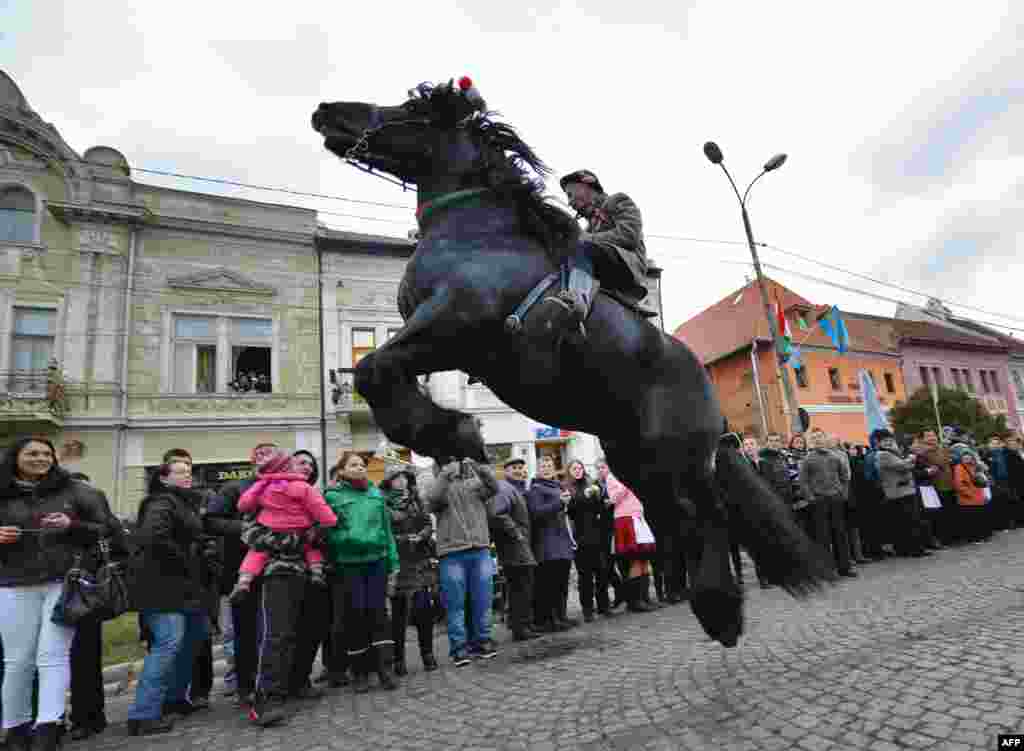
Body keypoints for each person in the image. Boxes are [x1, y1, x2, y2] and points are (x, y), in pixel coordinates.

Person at [0, 438, 116, 751]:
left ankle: (48, 727)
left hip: (62, 583)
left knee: (52, 655)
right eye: (32, 453)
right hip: (11, 583)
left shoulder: (74, 491)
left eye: (46, 454)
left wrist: (72, 525)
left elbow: (107, 528)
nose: (40, 459)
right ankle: (14, 727)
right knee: (17, 660)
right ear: (15, 457)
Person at [128, 459, 226, 735]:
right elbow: (153, 537)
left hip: (188, 588)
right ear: (164, 478)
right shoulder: (161, 502)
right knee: (168, 645)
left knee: (194, 639)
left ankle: (173, 699)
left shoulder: (183, 503)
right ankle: (143, 714)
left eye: (189, 471)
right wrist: (187, 557)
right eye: (179, 472)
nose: (187, 476)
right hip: (162, 587)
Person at [205, 442, 279, 712]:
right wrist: (247, 528)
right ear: (252, 460)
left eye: (270, 453)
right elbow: (210, 520)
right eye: (259, 454)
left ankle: (273, 684)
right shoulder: (234, 488)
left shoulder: (284, 487)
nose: (265, 458)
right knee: (245, 633)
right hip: (242, 571)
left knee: (274, 631)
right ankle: (246, 688)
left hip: (279, 570)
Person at [324, 452, 399, 692]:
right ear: (342, 471)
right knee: (355, 615)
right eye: (353, 465)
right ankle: (360, 672)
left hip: (376, 560)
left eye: (362, 465)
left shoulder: (376, 495)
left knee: (379, 614)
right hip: (349, 563)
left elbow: (387, 531)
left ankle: (385, 669)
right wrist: (347, 539)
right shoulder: (333, 496)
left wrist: (393, 561)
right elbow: (328, 530)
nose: (359, 468)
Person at [229, 451, 337, 603]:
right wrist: (328, 523)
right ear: (289, 467)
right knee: (310, 547)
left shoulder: (263, 485)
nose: (308, 467)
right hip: (298, 534)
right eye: (302, 463)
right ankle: (317, 571)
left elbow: (243, 505)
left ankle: (244, 581)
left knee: (256, 552)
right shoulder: (305, 488)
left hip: (270, 528)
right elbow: (324, 514)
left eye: (311, 464)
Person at [553, 169, 652, 332]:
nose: (569, 202)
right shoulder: (589, 227)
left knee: (581, 247)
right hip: (605, 266)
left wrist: (586, 238)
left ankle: (577, 301)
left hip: (628, 267)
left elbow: (629, 235)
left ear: (588, 184)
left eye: (571, 194)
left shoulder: (618, 200)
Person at [426, 458, 499, 666]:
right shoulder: (438, 487)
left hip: (480, 549)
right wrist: (445, 475)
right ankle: (459, 648)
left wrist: (478, 465)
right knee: (455, 603)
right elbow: (432, 500)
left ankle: (482, 641)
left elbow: (494, 486)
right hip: (451, 553)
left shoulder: (475, 485)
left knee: (483, 599)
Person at [381, 467, 438, 675]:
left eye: (404, 477)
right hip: (398, 562)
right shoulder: (384, 503)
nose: (401, 481)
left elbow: (427, 524)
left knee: (424, 610)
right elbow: (383, 531)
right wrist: (403, 540)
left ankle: (428, 654)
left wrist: (422, 535)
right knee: (398, 615)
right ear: (389, 482)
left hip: (419, 559)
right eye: (396, 478)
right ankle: (398, 659)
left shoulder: (417, 500)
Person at [489, 458, 539, 640]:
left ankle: (524, 624)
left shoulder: (517, 489)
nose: (519, 471)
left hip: (519, 546)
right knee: (520, 587)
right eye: (514, 468)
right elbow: (497, 513)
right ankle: (520, 628)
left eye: (521, 468)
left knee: (523, 587)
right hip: (514, 547)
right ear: (506, 471)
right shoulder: (504, 488)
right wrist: (516, 533)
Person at [527, 455, 578, 632]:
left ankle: (561, 616)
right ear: (538, 468)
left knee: (562, 583)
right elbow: (536, 513)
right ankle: (548, 620)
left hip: (562, 540)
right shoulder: (535, 489)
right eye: (543, 465)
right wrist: (559, 503)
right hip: (547, 543)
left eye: (549, 465)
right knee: (548, 584)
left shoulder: (558, 486)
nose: (547, 467)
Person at [799, 428, 856, 578]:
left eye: (820, 437)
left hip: (835, 499)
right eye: (814, 438)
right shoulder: (808, 459)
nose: (818, 439)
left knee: (840, 534)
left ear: (824, 439)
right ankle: (827, 570)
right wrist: (811, 498)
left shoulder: (835, 457)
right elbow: (803, 481)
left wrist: (843, 493)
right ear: (812, 441)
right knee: (823, 537)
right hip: (819, 501)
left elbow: (845, 476)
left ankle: (845, 567)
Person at [565, 460, 613, 622]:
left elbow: (602, 507)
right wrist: (578, 499)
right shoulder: (567, 487)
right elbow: (569, 512)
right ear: (569, 471)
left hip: (597, 534)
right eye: (574, 468)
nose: (577, 470)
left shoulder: (592, 484)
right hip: (579, 536)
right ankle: (587, 609)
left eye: (580, 467)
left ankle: (604, 605)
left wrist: (598, 496)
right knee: (585, 576)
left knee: (601, 572)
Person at [607, 470, 658, 612]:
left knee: (643, 559)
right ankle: (635, 601)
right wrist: (627, 483)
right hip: (625, 519)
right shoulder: (612, 477)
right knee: (635, 559)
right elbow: (614, 498)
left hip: (638, 517)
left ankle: (644, 597)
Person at [874, 430, 928, 557]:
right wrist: (910, 459)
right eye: (885, 441)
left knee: (908, 521)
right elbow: (903, 466)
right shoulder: (883, 454)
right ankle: (913, 549)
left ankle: (910, 548)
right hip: (898, 492)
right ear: (879, 442)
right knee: (908, 521)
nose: (888, 443)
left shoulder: (892, 452)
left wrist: (908, 461)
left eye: (890, 440)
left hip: (904, 490)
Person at [953, 452, 990, 543]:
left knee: (978, 518)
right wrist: (968, 493)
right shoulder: (959, 468)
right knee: (971, 519)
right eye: (965, 458)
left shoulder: (976, 467)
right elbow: (958, 484)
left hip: (977, 495)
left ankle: (980, 536)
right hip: (968, 497)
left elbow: (983, 478)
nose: (967, 460)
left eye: (969, 458)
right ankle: (974, 537)